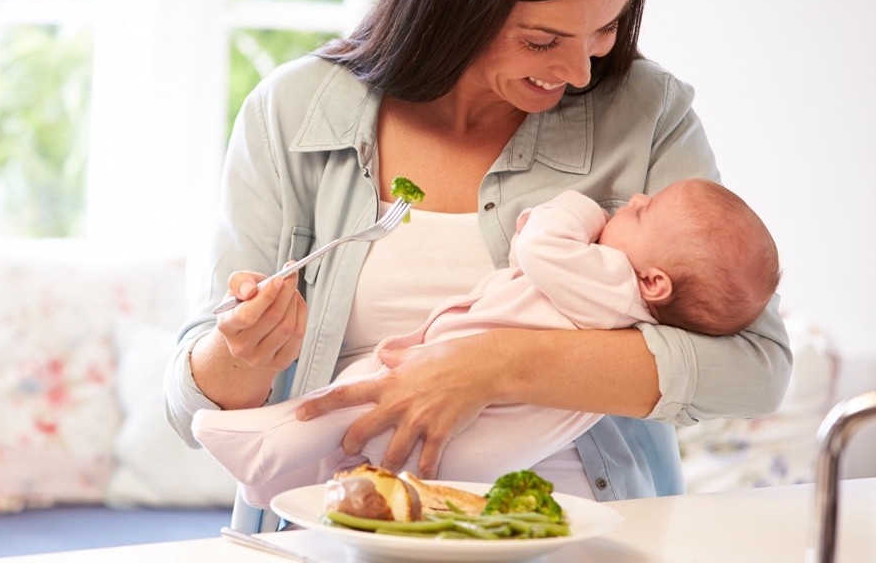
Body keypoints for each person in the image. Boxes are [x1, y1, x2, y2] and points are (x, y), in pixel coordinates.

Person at [163, 0, 791, 534]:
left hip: (583, 534)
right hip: (341, 525)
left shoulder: (647, 113)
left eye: (605, 28)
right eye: (542, 41)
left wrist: (495, 364)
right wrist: (244, 352)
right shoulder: (294, 111)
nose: (580, 72)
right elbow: (188, 406)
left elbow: (756, 368)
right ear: (453, 4)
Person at [191, 179, 781, 507]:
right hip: (494, 449)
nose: (629, 201)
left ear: (654, 280)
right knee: (352, 451)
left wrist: (572, 205)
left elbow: (543, 247)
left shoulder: (612, 279)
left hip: (467, 406)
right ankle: (278, 483)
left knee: (347, 401)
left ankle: (257, 448)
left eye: (643, 212)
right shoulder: (635, 309)